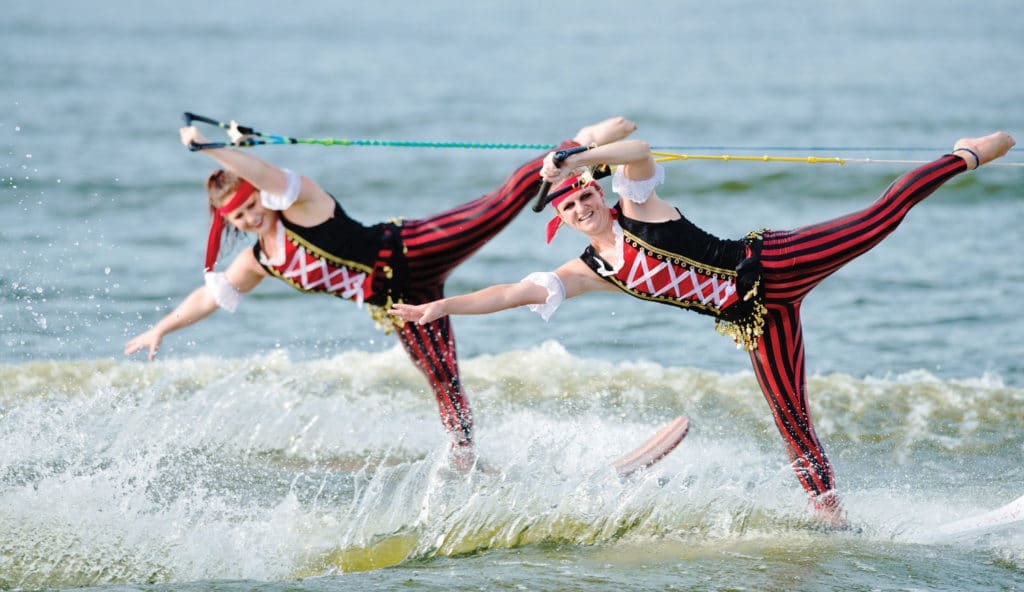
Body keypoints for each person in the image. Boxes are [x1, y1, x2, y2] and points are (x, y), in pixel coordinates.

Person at [389, 127, 1016, 523]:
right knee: (789, 417)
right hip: (752, 318)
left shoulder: (637, 206)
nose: (582, 208)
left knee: (882, 213)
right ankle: (831, 516)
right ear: (562, 220)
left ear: (598, 198)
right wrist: (437, 308)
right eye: (570, 207)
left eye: (585, 197)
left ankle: (963, 155)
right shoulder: (586, 269)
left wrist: (579, 155)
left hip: (772, 264)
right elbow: (510, 291)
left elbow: (636, 148)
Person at [124, 116, 640, 471]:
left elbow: (263, 173)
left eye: (250, 204)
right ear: (230, 222)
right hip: (398, 305)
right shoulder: (260, 260)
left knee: (502, 202)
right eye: (238, 216)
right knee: (443, 379)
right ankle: (467, 464)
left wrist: (211, 149)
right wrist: (161, 327)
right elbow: (209, 297)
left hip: (412, 249)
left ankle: (580, 145)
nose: (250, 216)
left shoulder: (299, 203)